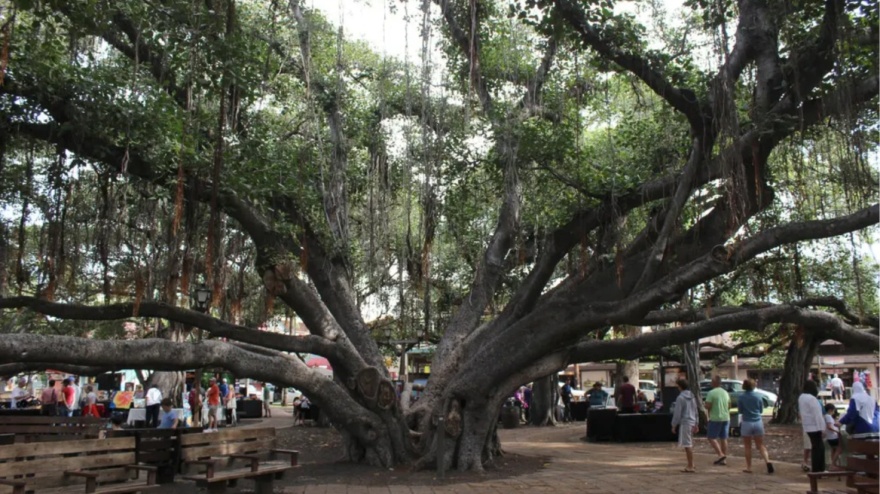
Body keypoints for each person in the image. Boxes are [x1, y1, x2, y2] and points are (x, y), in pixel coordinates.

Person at [737, 378, 774, 474]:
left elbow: (740, 410)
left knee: (747, 446)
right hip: (758, 422)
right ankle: (768, 461)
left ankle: (749, 467)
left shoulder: (741, 397)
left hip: (747, 422)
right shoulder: (759, 396)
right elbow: (761, 410)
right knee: (760, 445)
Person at [671, 378, 698, 473]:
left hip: (685, 422)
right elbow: (695, 410)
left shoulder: (680, 398)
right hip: (692, 421)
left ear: (680, 387)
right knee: (689, 443)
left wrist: (674, 424)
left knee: (687, 444)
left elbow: (677, 413)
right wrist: (696, 423)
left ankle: (690, 465)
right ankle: (691, 464)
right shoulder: (692, 396)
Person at [799, 380, 826, 473]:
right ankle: (819, 469)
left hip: (807, 426)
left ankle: (816, 469)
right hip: (815, 426)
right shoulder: (812, 399)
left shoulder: (801, 397)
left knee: (815, 447)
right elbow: (817, 415)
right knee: (819, 448)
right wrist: (822, 428)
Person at [704, 376, 730, 466]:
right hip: (726, 417)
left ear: (714, 382)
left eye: (711, 381)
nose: (711, 383)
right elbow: (729, 404)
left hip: (715, 418)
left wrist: (705, 405)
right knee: (723, 438)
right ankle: (724, 458)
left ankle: (720, 454)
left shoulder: (711, 393)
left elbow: (708, 405)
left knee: (711, 437)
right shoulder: (725, 392)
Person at [824, 404, 841, 469]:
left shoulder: (827, 416)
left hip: (831, 436)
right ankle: (833, 463)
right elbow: (829, 427)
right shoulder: (828, 416)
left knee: (833, 449)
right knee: (838, 449)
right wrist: (837, 431)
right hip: (833, 436)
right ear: (830, 410)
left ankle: (833, 463)